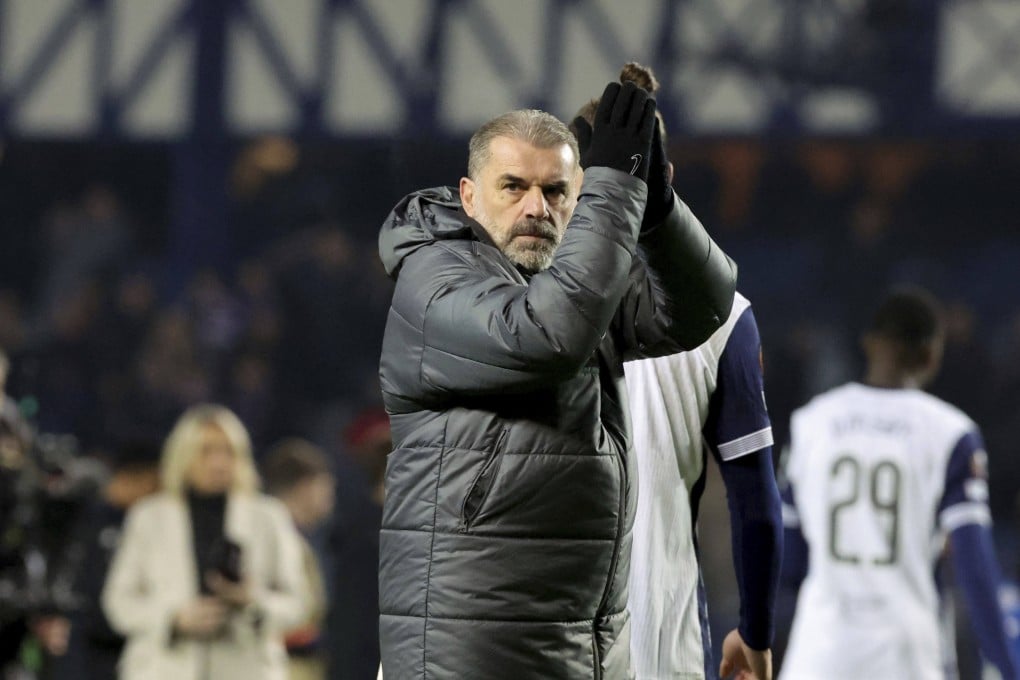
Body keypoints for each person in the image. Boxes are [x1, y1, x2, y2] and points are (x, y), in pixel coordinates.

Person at [377, 80, 737, 678]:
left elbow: (699, 309)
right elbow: (549, 336)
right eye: (513, 187)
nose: (536, 208)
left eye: (556, 191)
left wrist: (654, 210)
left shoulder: (571, 283)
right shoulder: (436, 278)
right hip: (469, 654)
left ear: (577, 202)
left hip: (574, 647)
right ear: (469, 196)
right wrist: (613, 189)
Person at [577, 64, 782, 680]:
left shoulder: (515, 298)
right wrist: (758, 633)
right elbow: (756, 503)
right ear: (665, 176)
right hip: (660, 636)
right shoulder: (727, 314)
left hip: (533, 630)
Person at [778, 287, 1019, 680]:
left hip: (820, 655)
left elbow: (786, 562)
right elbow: (975, 571)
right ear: (931, 355)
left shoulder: (810, 424)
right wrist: (1007, 668)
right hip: (906, 656)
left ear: (869, 344)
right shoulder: (951, 434)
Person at [101, 404, 307, 680]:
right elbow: (118, 601)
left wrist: (252, 602)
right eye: (206, 451)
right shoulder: (149, 517)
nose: (218, 462)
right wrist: (173, 619)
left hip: (246, 668)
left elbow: (299, 601)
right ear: (183, 455)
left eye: (228, 451)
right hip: (163, 668)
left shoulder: (268, 517)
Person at [262, 438, 336, 680]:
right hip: (281, 667)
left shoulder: (298, 539)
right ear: (306, 486)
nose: (331, 494)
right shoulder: (270, 540)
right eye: (325, 485)